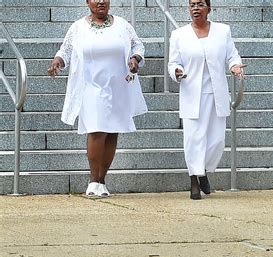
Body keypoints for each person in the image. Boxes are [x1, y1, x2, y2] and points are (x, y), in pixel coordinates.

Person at [47, 0, 148, 197]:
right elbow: (65, 50)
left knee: (111, 132)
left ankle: (102, 180)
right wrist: (58, 61)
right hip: (90, 86)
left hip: (118, 85)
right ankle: (93, 180)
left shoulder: (122, 25)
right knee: (96, 130)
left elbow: (138, 45)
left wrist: (135, 59)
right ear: (87, 2)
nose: (100, 1)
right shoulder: (78, 27)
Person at [168, 0, 246, 200]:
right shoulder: (179, 35)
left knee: (216, 140)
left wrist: (235, 66)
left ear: (209, 8)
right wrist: (177, 71)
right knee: (194, 138)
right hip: (192, 93)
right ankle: (194, 180)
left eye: (200, 4)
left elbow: (232, 56)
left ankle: (203, 170)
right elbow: (173, 62)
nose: (196, 8)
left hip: (216, 93)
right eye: (192, 4)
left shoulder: (222, 31)